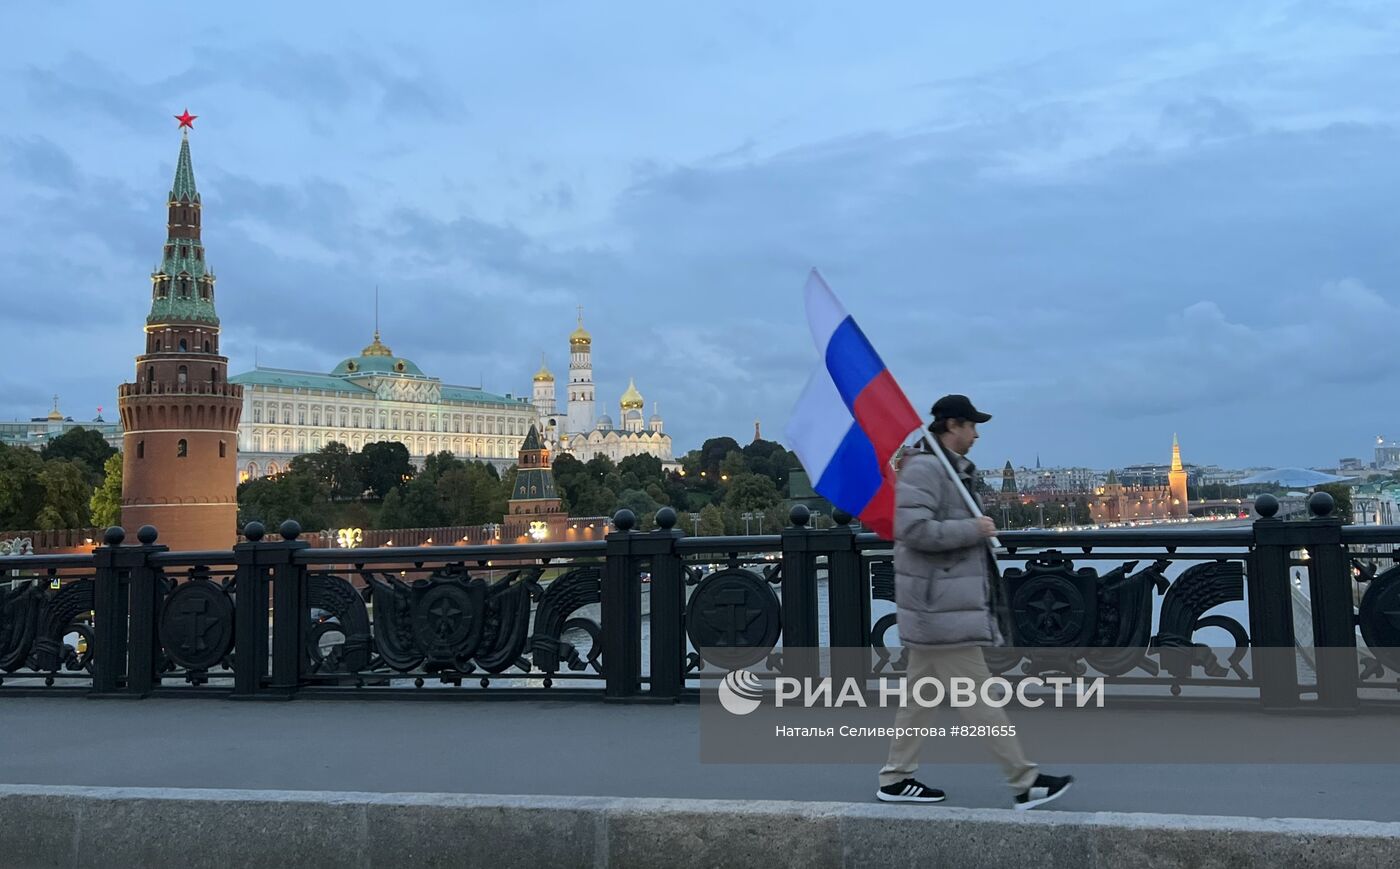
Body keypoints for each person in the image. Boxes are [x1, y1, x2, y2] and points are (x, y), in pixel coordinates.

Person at [876, 394, 1073, 810]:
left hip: (939, 604)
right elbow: (911, 529)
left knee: (919, 699)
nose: (977, 434)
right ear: (952, 425)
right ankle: (1025, 781)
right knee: (978, 697)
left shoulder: (945, 468)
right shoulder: (927, 468)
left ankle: (895, 779)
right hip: (940, 610)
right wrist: (973, 529)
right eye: (971, 426)